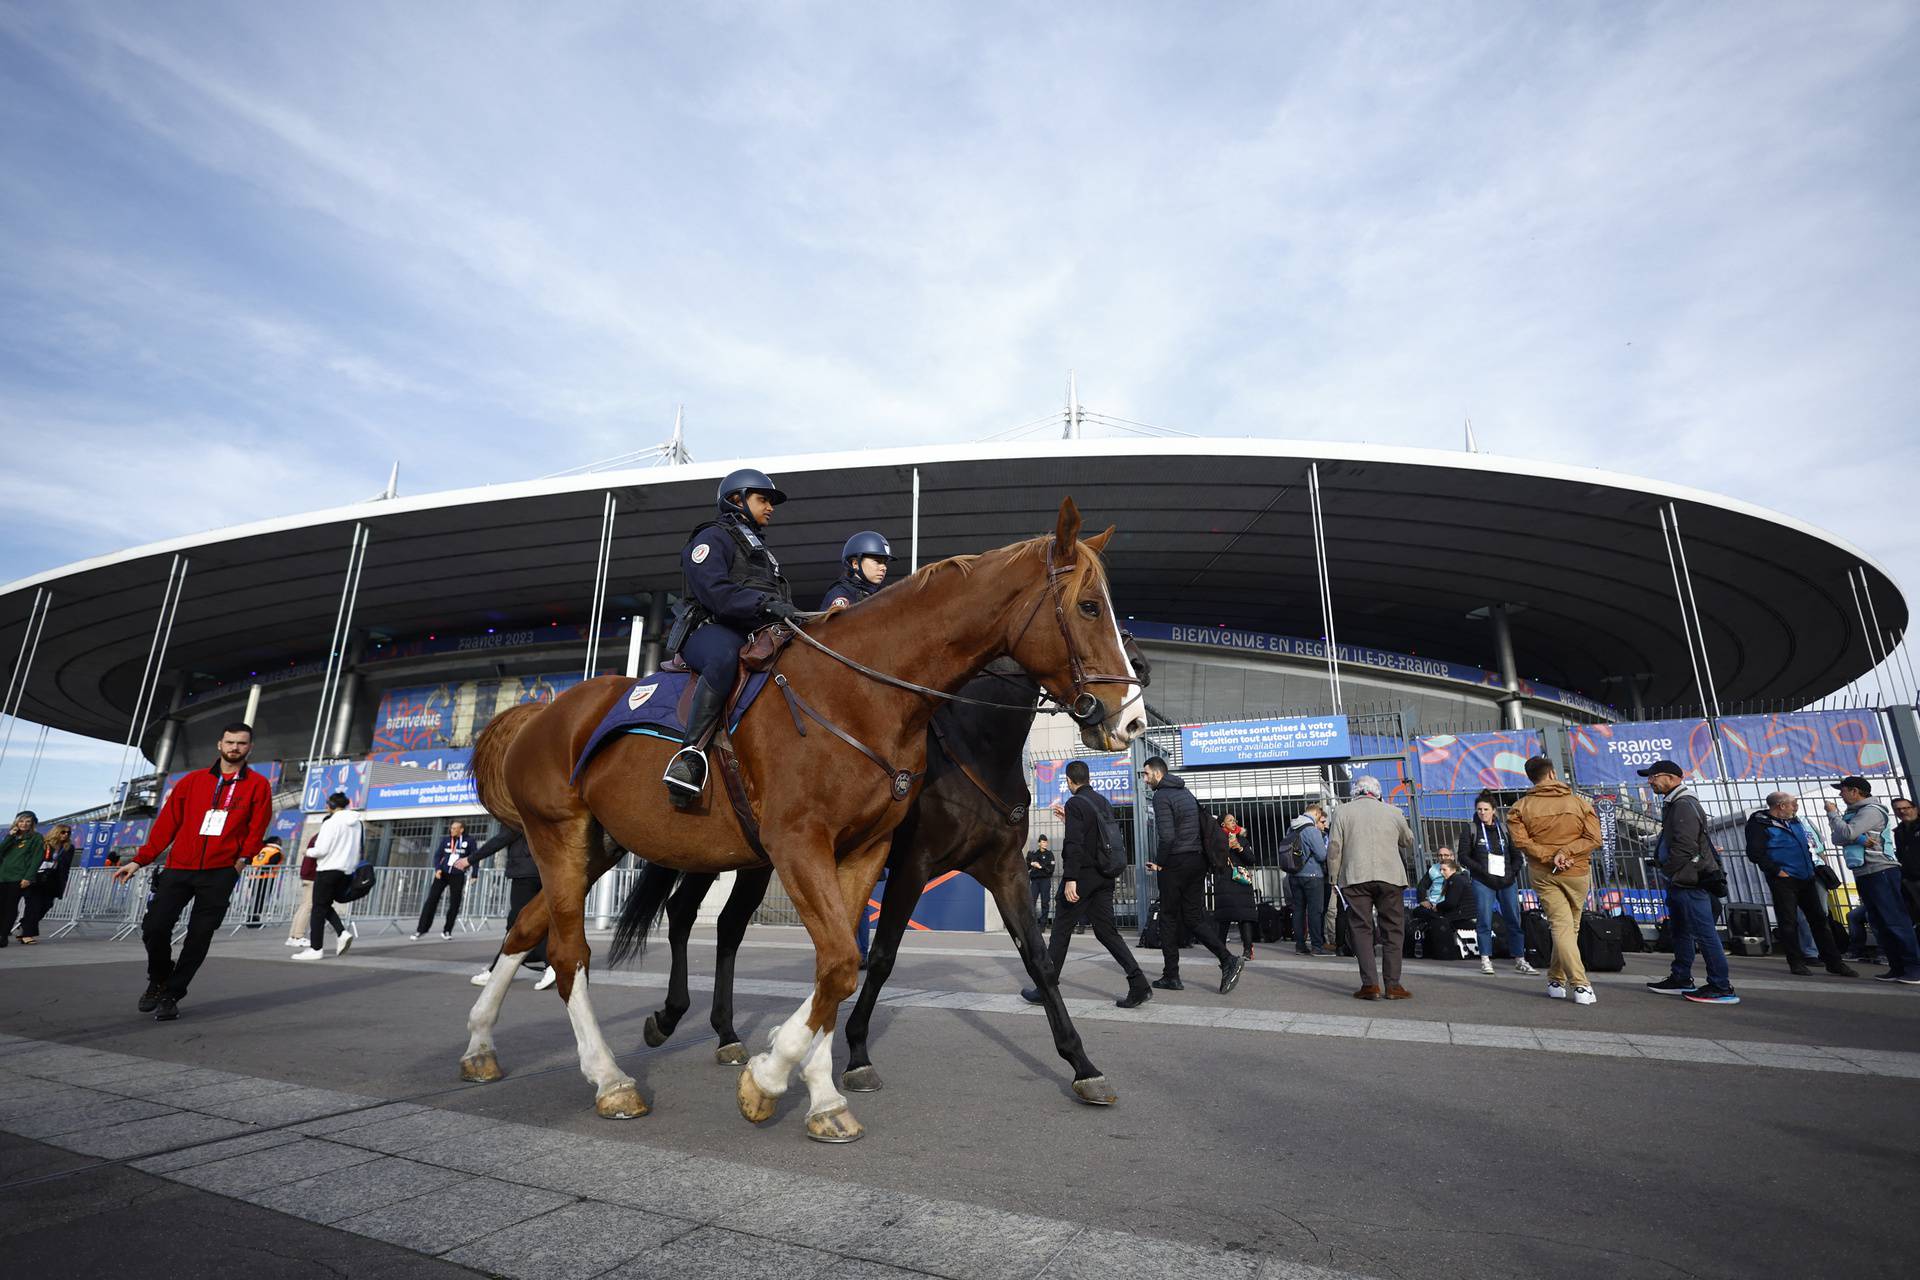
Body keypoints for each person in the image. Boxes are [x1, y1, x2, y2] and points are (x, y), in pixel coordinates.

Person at [112, 723, 275, 1019]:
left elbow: (257, 826)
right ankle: (159, 978)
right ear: (219, 744)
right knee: (155, 927)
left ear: (250, 748)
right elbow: (167, 824)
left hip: (220, 872)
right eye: (230, 742)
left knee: (199, 935)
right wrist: (140, 860)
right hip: (178, 868)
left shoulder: (257, 784)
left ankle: (172, 994)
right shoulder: (192, 781)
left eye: (241, 743)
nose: (234, 748)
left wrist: (241, 861)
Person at [663, 468, 801, 803]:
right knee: (724, 659)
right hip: (711, 629)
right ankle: (689, 755)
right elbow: (717, 594)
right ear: (736, 499)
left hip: (756, 631)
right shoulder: (712, 537)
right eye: (763, 499)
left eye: (771, 501)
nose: (770, 507)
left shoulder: (763, 551)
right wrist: (766, 604)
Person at [1022, 759, 1150, 1008]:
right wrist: (1069, 821)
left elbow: (1075, 845)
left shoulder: (1075, 802)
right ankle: (1139, 983)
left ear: (1070, 781)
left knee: (1060, 930)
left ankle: (1046, 989)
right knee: (1107, 932)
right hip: (1104, 876)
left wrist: (1070, 879)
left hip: (1083, 877)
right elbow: (1095, 837)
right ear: (1088, 778)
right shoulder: (1100, 802)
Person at [1637, 760, 1737, 1004]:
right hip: (1682, 879)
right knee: (1681, 929)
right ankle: (1681, 977)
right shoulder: (1675, 803)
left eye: (1653, 776)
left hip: (1688, 880)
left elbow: (1685, 845)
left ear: (1671, 778)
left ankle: (1720, 985)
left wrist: (1669, 869)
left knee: (1704, 933)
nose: (1650, 781)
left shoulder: (1682, 804)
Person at [1143, 756, 1245, 994]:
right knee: (1192, 917)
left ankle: (1171, 976)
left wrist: (1160, 863)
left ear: (1158, 774)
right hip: (1197, 861)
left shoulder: (1161, 796)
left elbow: (1167, 837)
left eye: (1146, 774)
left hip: (1177, 862)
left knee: (1167, 916)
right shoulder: (1185, 792)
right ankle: (1227, 959)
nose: (1145, 779)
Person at [1506, 755, 1602, 1005]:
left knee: (1562, 927)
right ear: (1552, 774)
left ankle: (1556, 979)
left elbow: (1521, 843)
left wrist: (1552, 856)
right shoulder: (1580, 803)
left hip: (1544, 873)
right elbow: (1594, 839)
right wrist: (1565, 853)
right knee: (1570, 927)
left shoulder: (1520, 807)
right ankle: (1580, 985)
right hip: (1577, 871)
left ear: (1531, 778)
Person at [1743, 791, 1855, 978]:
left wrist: (1812, 866)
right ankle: (1796, 962)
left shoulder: (1795, 821)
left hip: (1806, 876)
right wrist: (1776, 870)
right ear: (1781, 806)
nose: (1796, 807)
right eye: (1793, 804)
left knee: (1820, 920)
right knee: (1789, 922)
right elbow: (1755, 852)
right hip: (1784, 879)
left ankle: (1834, 962)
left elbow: (1809, 844)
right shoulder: (1759, 823)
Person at [1825, 775, 1920, 984]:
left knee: (1894, 920)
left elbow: (1845, 833)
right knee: (1879, 922)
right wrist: (1857, 837)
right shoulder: (1855, 813)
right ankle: (1897, 967)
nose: (1840, 794)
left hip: (1880, 870)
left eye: (1843, 790)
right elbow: (1838, 837)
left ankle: (1914, 967)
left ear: (1855, 791)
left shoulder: (1870, 811)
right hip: (1865, 872)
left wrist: (1833, 815)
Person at [1327, 776, 1415, 1000]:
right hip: (1390, 877)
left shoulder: (1342, 812)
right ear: (1378, 793)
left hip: (1356, 876)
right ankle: (1393, 985)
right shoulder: (1393, 812)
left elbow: (1335, 847)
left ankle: (1370, 985)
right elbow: (1408, 840)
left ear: (1355, 792)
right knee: (1393, 929)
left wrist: (1333, 877)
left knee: (1361, 929)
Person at [469, 825, 557, 991]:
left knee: (525, 922)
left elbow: (501, 839)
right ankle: (495, 971)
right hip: (541, 871)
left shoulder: (516, 814)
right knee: (514, 924)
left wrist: (470, 859)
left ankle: (551, 965)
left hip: (525, 873)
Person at [1458, 795, 1536, 977]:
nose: (1482, 813)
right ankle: (1486, 959)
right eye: (1479, 809)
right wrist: (1482, 871)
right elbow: (1463, 856)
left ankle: (1519, 959)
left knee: (1513, 920)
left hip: (1507, 881)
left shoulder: (1505, 829)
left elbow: (1517, 855)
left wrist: (1512, 873)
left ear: (1493, 810)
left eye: (1486, 809)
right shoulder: (1471, 829)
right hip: (1483, 882)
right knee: (1484, 920)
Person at [294, 792, 362, 960]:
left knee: (318, 908)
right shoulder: (357, 823)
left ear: (331, 805)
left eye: (327, 804)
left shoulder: (331, 823)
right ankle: (341, 933)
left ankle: (316, 948)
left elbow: (321, 850)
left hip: (328, 869)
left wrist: (306, 851)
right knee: (324, 904)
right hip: (346, 870)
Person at [413, 820, 477, 939]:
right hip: (442, 874)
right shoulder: (446, 840)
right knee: (431, 900)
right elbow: (438, 855)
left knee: (454, 903)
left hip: (458, 875)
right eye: (451, 828)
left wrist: (475, 874)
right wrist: (437, 869)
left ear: (461, 829)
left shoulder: (470, 841)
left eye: (454, 828)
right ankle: (421, 929)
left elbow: (475, 858)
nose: (451, 830)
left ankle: (447, 930)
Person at [18, 822, 75, 944]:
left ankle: (25, 925)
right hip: (36, 878)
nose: (65, 835)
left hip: (53, 880)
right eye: (63, 832)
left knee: (46, 905)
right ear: (56, 832)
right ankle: (27, 934)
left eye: (68, 833)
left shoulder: (68, 847)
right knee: (33, 906)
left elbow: (66, 867)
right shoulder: (44, 844)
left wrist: (64, 883)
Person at [1287, 806, 1332, 955]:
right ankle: (1317, 946)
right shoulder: (1312, 830)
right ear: (1315, 814)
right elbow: (1321, 855)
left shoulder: (1291, 828)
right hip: (1312, 876)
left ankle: (1300, 945)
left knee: (1299, 910)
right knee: (1315, 911)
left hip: (1294, 875)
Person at [1409, 846, 1476, 944]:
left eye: (1446, 855)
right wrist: (1423, 900)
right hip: (1434, 903)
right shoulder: (1433, 869)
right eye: (1440, 855)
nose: (1443, 857)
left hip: (1451, 904)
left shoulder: (1461, 873)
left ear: (1452, 857)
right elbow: (1422, 886)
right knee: (1418, 912)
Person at [0, 812, 45, 946]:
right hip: (3, 876)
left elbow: (37, 858)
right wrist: (9, 836)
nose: (24, 824)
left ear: (32, 823)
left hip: (18, 877)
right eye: (21, 821)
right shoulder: (12, 837)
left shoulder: (36, 838)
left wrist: (28, 877)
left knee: (10, 907)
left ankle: (3, 936)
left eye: (27, 821)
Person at [819, 530, 892, 610]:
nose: (884, 568)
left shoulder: (882, 594)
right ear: (855, 564)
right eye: (877, 561)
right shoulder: (841, 594)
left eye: (885, 563)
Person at [243, 836, 283, 928]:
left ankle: (250, 918)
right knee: (260, 900)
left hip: (253, 877)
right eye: (280, 841)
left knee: (254, 899)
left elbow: (250, 860)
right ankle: (254, 920)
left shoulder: (262, 850)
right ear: (276, 842)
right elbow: (270, 865)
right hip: (265, 878)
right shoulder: (276, 852)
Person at [1892, 795, 1920, 925]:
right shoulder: (1899, 831)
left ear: (1915, 809)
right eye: (1898, 809)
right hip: (1910, 878)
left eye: (1906, 808)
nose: (1902, 812)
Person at [286, 833, 318, 948]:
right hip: (312, 875)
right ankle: (298, 936)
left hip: (307, 874)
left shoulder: (315, 837)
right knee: (307, 906)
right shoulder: (321, 837)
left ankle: (292, 936)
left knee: (303, 906)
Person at [1027, 835, 1054, 927]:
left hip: (1045, 881)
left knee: (1045, 902)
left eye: (1046, 842)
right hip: (1035, 881)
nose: (1045, 843)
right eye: (1043, 842)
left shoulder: (1049, 855)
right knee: (1031, 901)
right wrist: (1031, 863)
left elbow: (1050, 869)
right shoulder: (1034, 854)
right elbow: (1027, 867)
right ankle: (1032, 923)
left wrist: (1040, 867)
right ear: (1039, 843)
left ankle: (1043, 924)